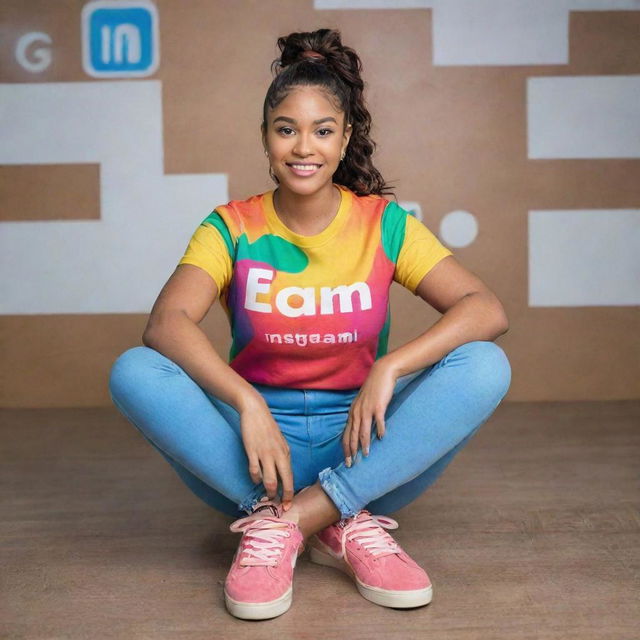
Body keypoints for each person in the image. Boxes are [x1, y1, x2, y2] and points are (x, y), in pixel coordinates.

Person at [108, 28, 511, 621]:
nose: (304, 147)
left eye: (323, 130)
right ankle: (306, 518)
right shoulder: (232, 226)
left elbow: (486, 308)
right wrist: (248, 405)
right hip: (251, 454)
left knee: (484, 364)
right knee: (135, 370)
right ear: (266, 137)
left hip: (362, 448)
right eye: (286, 129)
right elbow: (166, 323)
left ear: (345, 138)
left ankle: (308, 515)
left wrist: (390, 366)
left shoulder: (382, 224)